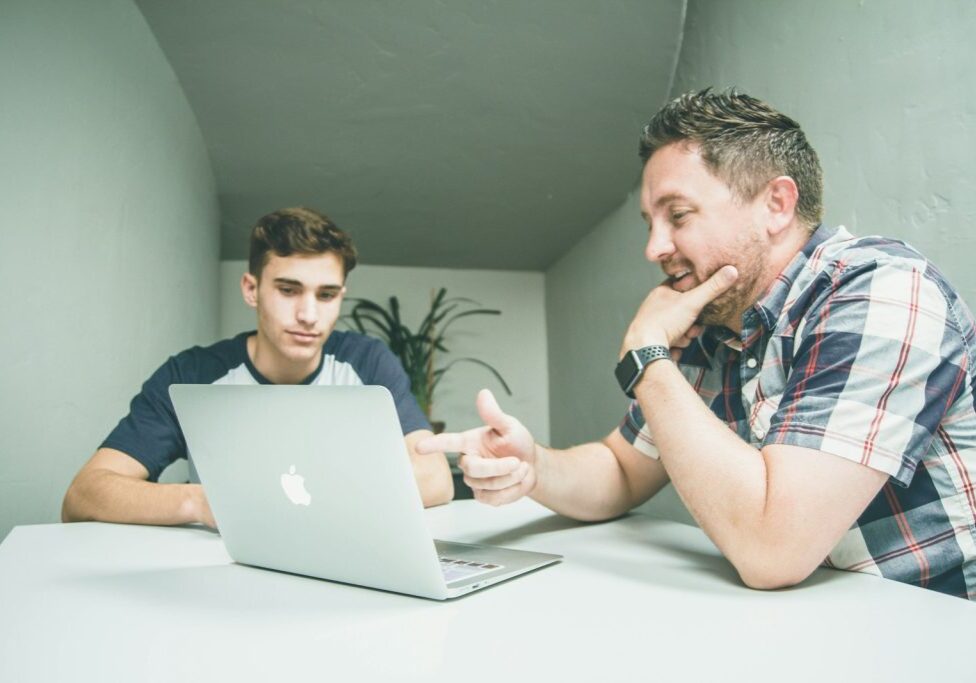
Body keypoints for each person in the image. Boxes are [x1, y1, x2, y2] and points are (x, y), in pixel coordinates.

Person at [418, 89, 976, 599]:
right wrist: (534, 465)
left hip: (934, 626)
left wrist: (646, 354)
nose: (655, 247)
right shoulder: (715, 324)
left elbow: (772, 550)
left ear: (776, 205)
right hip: (810, 622)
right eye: (650, 222)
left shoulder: (882, 292)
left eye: (678, 215)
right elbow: (621, 469)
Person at [63, 207, 453, 527]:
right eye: (288, 290)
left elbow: (435, 479)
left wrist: (297, 497)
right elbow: (85, 494)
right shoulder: (192, 374)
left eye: (327, 294)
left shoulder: (366, 362)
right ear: (252, 289)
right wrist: (201, 503)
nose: (308, 314)